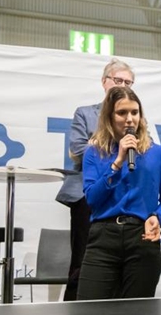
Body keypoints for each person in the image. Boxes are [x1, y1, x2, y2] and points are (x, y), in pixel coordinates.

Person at [76, 86, 161, 300]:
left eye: (134, 112)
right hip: (103, 238)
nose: (129, 119)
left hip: (141, 238)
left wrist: (157, 217)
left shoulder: (158, 153)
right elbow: (92, 198)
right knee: (88, 312)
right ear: (109, 117)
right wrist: (118, 162)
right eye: (122, 113)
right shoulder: (94, 153)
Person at [55, 58, 136, 301]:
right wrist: (116, 150)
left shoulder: (134, 118)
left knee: (122, 262)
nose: (123, 85)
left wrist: (97, 144)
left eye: (128, 82)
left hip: (120, 196)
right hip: (87, 194)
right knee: (82, 259)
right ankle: (75, 312)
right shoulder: (85, 113)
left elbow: (142, 150)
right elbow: (79, 152)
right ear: (104, 82)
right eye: (118, 80)